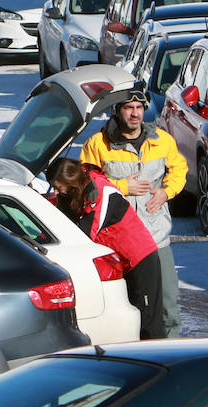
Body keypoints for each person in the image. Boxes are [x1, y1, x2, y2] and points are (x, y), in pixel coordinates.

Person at [79, 88, 186, 338]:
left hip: (156, 237)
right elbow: (85, 184)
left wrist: (166, 192)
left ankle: (172, 353)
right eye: (128, 108)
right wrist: (122, 187)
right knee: (127, 306)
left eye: (139, 108)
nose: (135, 113)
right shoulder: (98, 144)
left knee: (168, 307)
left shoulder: (161, 140)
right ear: (117, 111)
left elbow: (179, 169)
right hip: (118, 243)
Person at [48, 158, 163, 340]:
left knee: (148, 320)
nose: (56, 192)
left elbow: (86, 234)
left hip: (140, 258)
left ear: (70, 180)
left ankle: (159, 354)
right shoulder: (77, 188)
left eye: (58, 187)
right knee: (133, 319)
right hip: (121, 262)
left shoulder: (101, 192)